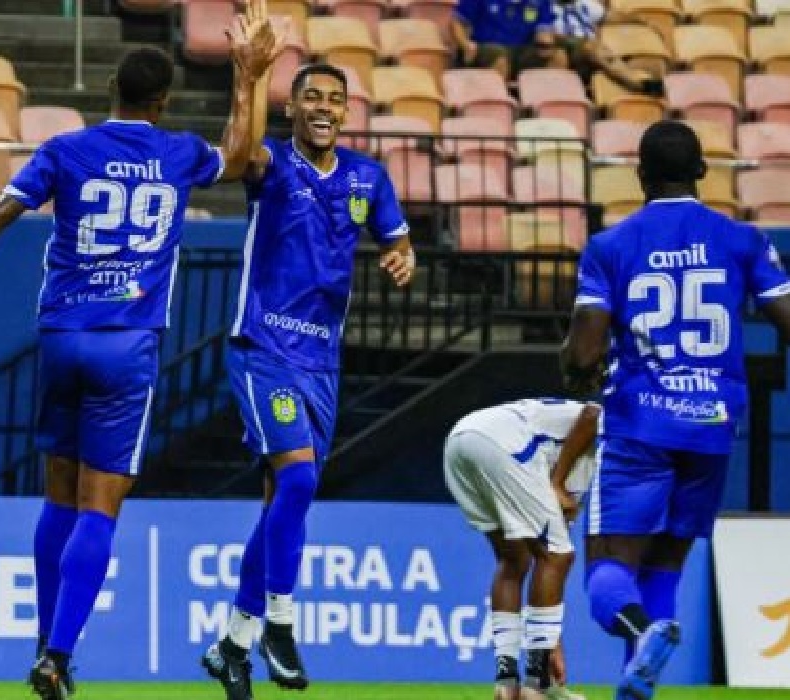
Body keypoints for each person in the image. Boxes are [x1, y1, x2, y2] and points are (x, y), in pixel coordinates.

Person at [0, 5, 285, 697]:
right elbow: (238, 157)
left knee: (56, 497)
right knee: (99, 507)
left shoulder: (65, 149)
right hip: (127, 346)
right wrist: (247, 75)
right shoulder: (175, 153)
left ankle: (44, 644)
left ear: (111, 88)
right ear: (164, 100)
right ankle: (57, 652)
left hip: (62, 338)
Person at [200, 63, 416, 700]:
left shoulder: (367, 177)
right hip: (263, 347)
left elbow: (399, 240)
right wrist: (249, 76)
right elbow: (236, 152)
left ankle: (233, 644)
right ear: (290, 107)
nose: (325, 107)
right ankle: (280, 626)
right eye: (312, 97)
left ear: (347, 112)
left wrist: (401, 256)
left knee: (282, 503)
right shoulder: (270, 163)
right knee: (297, 478)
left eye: (336, 99)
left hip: (323, 359)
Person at [561, 120, 790, 700]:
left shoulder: (611, 246)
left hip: (640, 425)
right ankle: (638, 682)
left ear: (639, 175)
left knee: (607, 571)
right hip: (713, 428)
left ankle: (643, 634)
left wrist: (571, 358)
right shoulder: (743, 240)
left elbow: (585, 354)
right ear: (702, 174)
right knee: (665, 564)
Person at [445, 398, 600, 700]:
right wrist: (557, 481)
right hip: (504, 442)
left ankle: (507, 680)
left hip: (462, 438)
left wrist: (550, 640)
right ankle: (537, 681)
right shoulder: (618, 433)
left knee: (515, 560)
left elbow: (547, 571)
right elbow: (594, 412)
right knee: (558, 555)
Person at [550, 0, 664, 95]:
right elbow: (544, 35)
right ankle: (637, 84)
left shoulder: (584, 4)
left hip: (593, 53)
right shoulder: (544, 6)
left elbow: (611, 16)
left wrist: (643, 21)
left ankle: (641, 83)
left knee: (641, 55)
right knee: (591, 47)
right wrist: (576, 42)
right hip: (566, 51)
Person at [451, 0, 566, 81]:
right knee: (499, 56)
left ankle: (544, 106)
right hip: (485, 47)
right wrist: (465, 44)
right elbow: (457, 22)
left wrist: (546, 41)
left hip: (521, 51)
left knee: (558, 55)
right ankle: (496, 106)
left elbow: (544, 29)